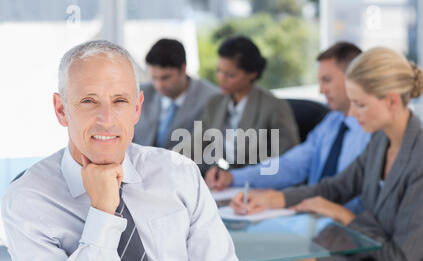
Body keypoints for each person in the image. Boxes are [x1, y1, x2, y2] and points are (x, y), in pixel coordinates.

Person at [1, 40, 247, 261]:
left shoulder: (178, 173)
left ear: (137, 108)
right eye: (88, 101)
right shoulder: (28, 200)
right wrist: (102, 213)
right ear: (61, 110)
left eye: (119, 100)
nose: (106, 120)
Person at [232, 47, 423, 261]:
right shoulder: (382, 140)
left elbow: (400, 259)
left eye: (360, 104)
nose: (352, 113)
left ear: (391, 101)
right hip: (374, 258)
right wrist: (275, 199)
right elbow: (335, 187)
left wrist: (344, 215)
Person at [206, 42, 370, 214]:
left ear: (354, 79)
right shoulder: (331, 123)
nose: (321, 90)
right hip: (310, 219)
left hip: (349, 226)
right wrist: (233, 177)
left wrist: (282, 198)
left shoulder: (373, 133)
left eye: (327, 80)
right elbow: (290, 165)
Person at [199, 36, 299, 175]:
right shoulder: (215, 103)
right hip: (222, 186)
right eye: (219, 71)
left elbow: (288, 161)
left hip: (259, 185)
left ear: (252, 74)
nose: (221, 78)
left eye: (230, 75)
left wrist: (235, 177)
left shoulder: (274, 107)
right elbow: (196, 147)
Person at [133, 38, 219, 149]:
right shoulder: (140, 94)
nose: (159, 85)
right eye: (154, 77)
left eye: (165, 77)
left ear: (183, 69)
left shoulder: (211, 99)